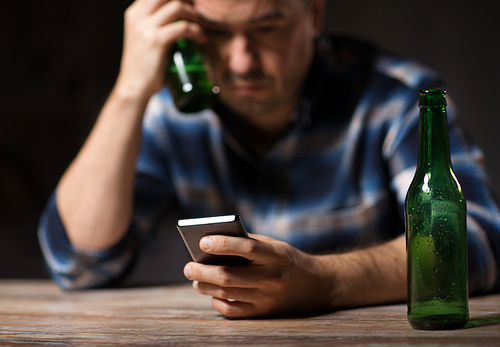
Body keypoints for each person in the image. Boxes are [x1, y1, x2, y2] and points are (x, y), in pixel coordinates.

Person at [38, 0, 500, 318]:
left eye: (266, 29)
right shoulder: (169, 119)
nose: (241, 62)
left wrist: (325, 281)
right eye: (215, 33)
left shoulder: (396, 99)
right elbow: (79, 264)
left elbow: (477, 242)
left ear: (313, 14)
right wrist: (129, 90)